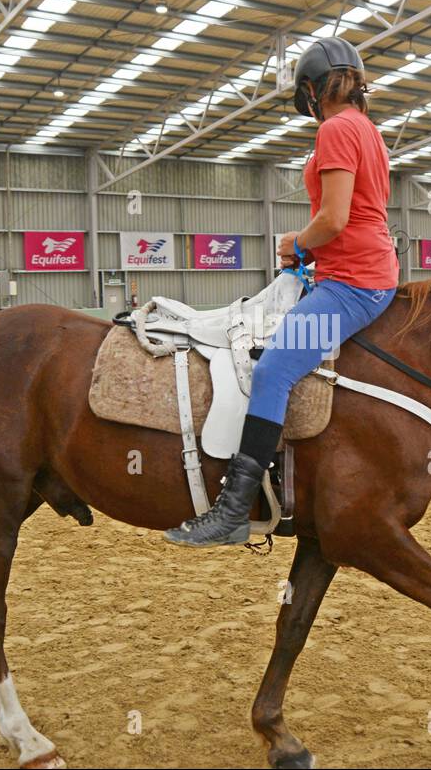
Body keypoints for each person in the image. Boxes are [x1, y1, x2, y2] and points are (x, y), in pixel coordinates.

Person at [162, 37, 399, 547]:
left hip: (354, 284)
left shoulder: (336, 129)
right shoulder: (368, 130)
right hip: (357, 269)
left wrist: (297, 242)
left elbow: (335, 218)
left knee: (273, 368)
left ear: (312, 91)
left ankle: (231, 511)